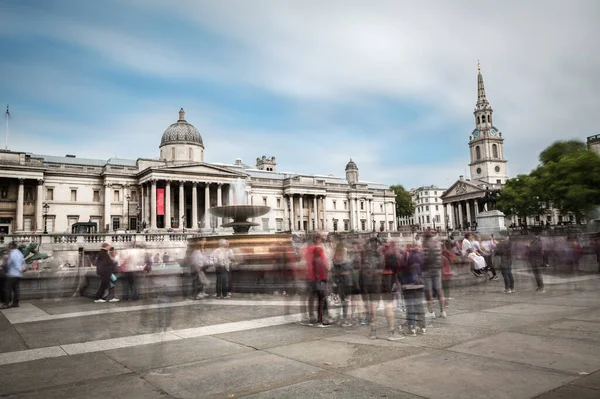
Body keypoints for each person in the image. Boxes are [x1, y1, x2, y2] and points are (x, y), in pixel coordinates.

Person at [305, 233, 330, 327]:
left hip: (311, 277)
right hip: (320, 278)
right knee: (322, 299)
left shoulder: (307, 249)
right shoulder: (319, 249)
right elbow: (324, 264)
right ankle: (321, 319)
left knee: (312, 298)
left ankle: (312, 317)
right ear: (318, 239)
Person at [422, 232, 446, 319]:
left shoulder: (425, 245)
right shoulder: (437, 245)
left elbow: (424, 259)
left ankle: (431, 312)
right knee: (439, 291)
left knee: (429, 292)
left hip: (427, 270)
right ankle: (443, 311)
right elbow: (440, 257)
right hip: (437, 269)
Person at [1, 242, 25, 308]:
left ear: (10, 247)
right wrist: (22, 269)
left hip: (12, 274)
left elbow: (12, 263)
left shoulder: (13, 254)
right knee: (16, 289)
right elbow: (23, 262)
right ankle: (15, 303)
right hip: (18, 275)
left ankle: (6, 304)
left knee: (7, 289)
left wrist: (4, 264)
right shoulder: (19, 253)